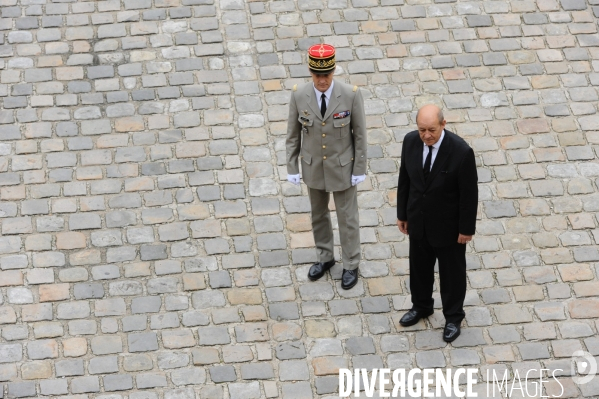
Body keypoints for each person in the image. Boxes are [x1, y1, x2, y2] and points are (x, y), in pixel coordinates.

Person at [286, 44, 367, 290]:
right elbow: (293, 134)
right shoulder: (299, 94)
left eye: (327, 75)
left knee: (347, 217)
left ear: (333, 72)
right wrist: (292, 166)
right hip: (313, 167)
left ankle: (351, 263)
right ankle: (325, 256)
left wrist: (359, 168)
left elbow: (360, 135)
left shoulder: (351, 94)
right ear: (311, 73)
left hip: (342, 167)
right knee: (318, 215)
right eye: (318, 75)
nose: (322, 80)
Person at [396, 104, 478, 342]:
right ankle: (421, 306)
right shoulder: (410, 142)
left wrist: (466, 229)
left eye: (431, 129)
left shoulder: (461, 152)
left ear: (443, 124)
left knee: (452, 274)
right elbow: (405, 179)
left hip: (449, 228)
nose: (426, 135)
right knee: (419, 269)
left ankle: (453, 317)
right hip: (418, 222)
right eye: (422, 129)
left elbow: (469, 195)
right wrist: (403, 214)